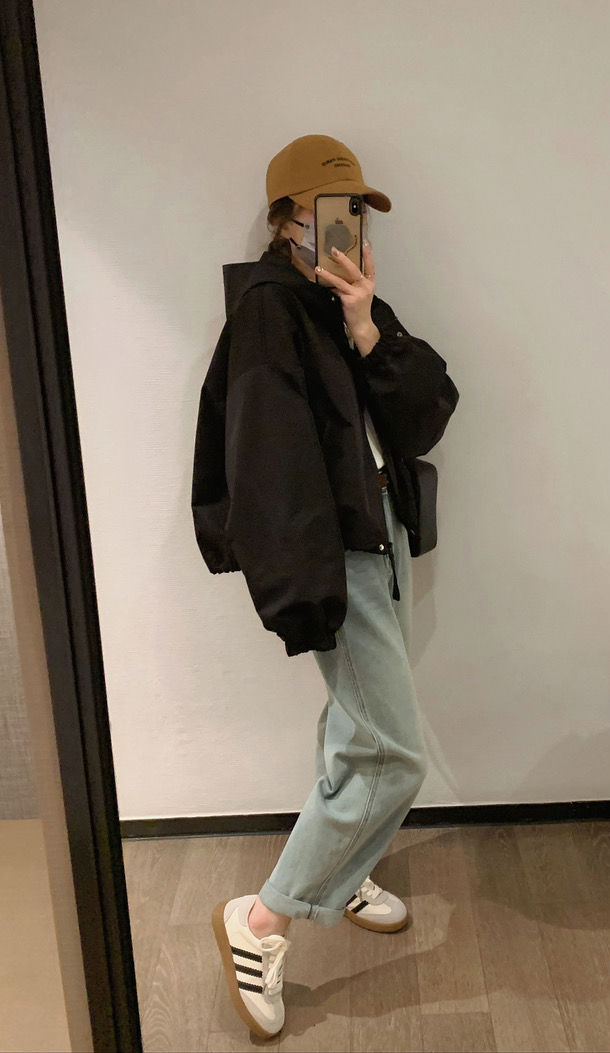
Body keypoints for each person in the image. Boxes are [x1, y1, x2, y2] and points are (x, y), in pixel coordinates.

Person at [193, 134, 459, 1039]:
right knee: (392, 753)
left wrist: (369, 325)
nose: (349, 229)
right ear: (285, 218)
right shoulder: (269, 310)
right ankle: (263, 917)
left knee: (357, 730)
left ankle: (339, 877)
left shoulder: (347, 302)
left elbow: (428, 413)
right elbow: (265, 467)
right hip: (336, 554)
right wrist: (304, 592)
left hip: (384, 537)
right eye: (329, 211)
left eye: (358, 213)